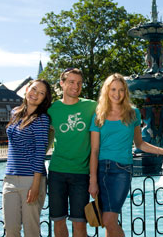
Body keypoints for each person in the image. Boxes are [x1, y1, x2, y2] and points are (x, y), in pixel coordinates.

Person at [88, 73, 163, 237]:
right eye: (113, 89)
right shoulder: (98, 115)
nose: (117, 94)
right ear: (107, 91)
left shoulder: (133, 113)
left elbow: (140, 144)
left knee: (109, 220)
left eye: (121, 90)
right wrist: (93, 180)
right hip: (101, 170)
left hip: (122, 171)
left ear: (125, 92)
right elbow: (94, 151)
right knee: (109, 222)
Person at [47, 68, 97, 237]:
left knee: (80, 224)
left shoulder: (91, 106)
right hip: (56, 172)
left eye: (79, 83)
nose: (76, 86)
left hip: (81, 174)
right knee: (59, 222)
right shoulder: (51, 109)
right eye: (71, 82)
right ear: (61, 83)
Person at [3, 79, 52, 237]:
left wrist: (36, 184)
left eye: (41, 93)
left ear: (44, 98)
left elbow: (40, 152)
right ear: (26, 89)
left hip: (31, 179)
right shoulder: (15, 112)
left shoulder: (42, 119)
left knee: (31, 232)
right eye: (34, 89)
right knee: (10, 230)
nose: (36, 94)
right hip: (10, 179)